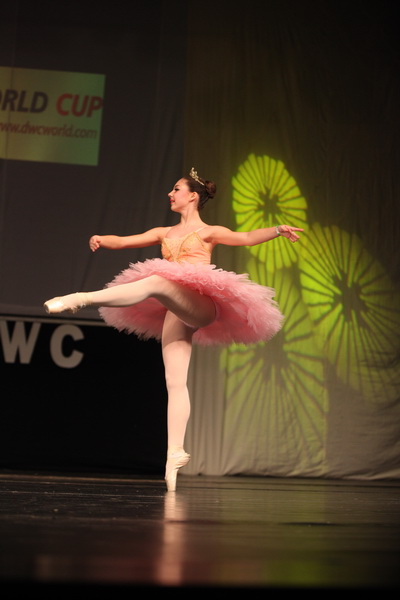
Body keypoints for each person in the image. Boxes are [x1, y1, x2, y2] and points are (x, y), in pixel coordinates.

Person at [44, 167, 303, 492]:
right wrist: (101, 239)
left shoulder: (208, 232)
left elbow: (247, 237)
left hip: (201, 305)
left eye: (176, 189)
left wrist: (278, 229)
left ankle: (81, 298)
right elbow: (124, 241)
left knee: (156, 281)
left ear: (193, 196)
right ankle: (174, 454)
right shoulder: (163, 232)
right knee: (174, 381)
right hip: (177, 310)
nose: (170, 193)